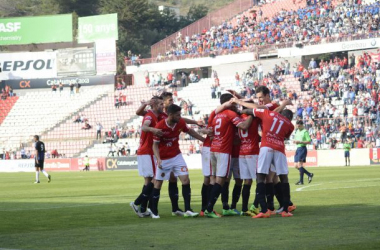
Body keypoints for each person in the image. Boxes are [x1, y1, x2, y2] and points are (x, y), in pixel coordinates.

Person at [150, 104, 205, 218]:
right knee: (158, 183)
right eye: (178, 115)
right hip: (164, 159)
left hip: (177, 156)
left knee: (185, 179)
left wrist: (204, 140)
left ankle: (188, 209)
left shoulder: (180, 123)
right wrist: (158, 158)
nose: (180, 117)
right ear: (170, 115)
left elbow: (191, 132)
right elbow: (154, 145)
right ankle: (153, 210)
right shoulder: (160, 126)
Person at [204, 93, 253, 218]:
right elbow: (243, 126)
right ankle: (211, 209)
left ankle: (215, 207)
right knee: (222, 180)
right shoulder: (232, 115)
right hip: (225, 151)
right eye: (235, 103)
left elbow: (209, 131)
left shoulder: (215, 115)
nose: (237, 105)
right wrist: (253, 114)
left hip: (214, 149)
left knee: (217, 179)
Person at [251, 109, 294, 218]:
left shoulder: (269, 113)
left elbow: (251, 109)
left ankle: (264, 210)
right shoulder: (290, 124)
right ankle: (285, 210)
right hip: (279, 148)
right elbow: (286, 136)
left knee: (260, 176)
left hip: (266, 146)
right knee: (283, 177)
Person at [130, 96, 164, 218]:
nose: (162, 106)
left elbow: (138, 113)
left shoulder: (156, 115)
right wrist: (153, 130)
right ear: (154, 104)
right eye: (160, 104)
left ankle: (143, 208)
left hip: (146, 152)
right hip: (147, 151)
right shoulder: (150, 115)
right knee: (156, 178)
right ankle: (137, 203)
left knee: (149, 180)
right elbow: (144, 127)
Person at [294, 120, 314, 185]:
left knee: (300, 165)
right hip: (298, 148)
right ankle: (309, 174)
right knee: (296, 165)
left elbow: (309, 141)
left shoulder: (305, 132)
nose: (298, 127)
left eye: (299, 126)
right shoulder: (297, 131)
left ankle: (301, 181)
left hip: (302, 148)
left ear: (302, 125)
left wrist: (300, 142)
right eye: (297, 126)